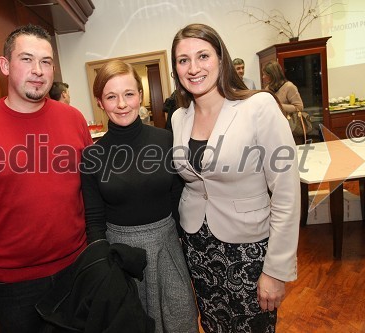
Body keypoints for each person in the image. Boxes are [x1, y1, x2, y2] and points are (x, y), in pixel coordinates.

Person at [0, 24, 92, 332]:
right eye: (26, 59)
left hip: (79, 270)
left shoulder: (73, 119)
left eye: (46, 61)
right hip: (16, 288)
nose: (38, 70)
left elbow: (91, 190)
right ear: (5, 65)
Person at [170, 23, 300, 333]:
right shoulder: (179, 117)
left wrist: (276, 270)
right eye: (183, 60)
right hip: (197, 247)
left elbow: (286, 194)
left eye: (203, 56)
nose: (193, 67)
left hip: (247, 250)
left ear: (221, 58)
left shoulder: (258, 107)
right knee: (213, 325)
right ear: (176, 69)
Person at [80, 59, 199, 333]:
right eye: (111, 96)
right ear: (100, 102)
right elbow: (94, 218)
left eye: (129, 94)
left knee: (181, 322)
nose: (122, 104)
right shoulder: (92, 156)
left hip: (168, 247)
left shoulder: (166, 140)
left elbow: (178, 195)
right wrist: (102, 268)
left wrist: (186, 247)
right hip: (120, 255)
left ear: (140, 96)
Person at [262, 60, 306, 144]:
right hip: (275, 130)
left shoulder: (289, 87)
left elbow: (299, 107)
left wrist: (278, 105)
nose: (263, 77)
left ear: (272, 75)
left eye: (265, 74)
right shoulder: (267, 89)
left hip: (291, 129)